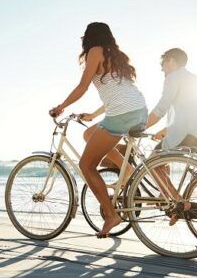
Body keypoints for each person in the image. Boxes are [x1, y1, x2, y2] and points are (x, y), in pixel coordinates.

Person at [49, 22, 147, 238]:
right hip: (139, 111)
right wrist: (93, 115)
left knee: (86, 164)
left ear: (89, 36)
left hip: (122, 115)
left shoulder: (95, 51)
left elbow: (83, 86)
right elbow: (118, 95)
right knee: (88, 133)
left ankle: (112, 215)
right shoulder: (117, 55)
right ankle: (126, 169)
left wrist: (61, 107)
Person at [146, 47, 197, 225]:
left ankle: (179, 202)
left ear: (171, 61)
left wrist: (139, 126)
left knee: (151, 164)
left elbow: (161, 108)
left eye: (163, 63)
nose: (161, 68)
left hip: (190, 134)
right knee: (161, 159)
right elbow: (189, 111)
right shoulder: (194, 79)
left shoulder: (174, 77)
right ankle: (169, 198)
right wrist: (165, 131)